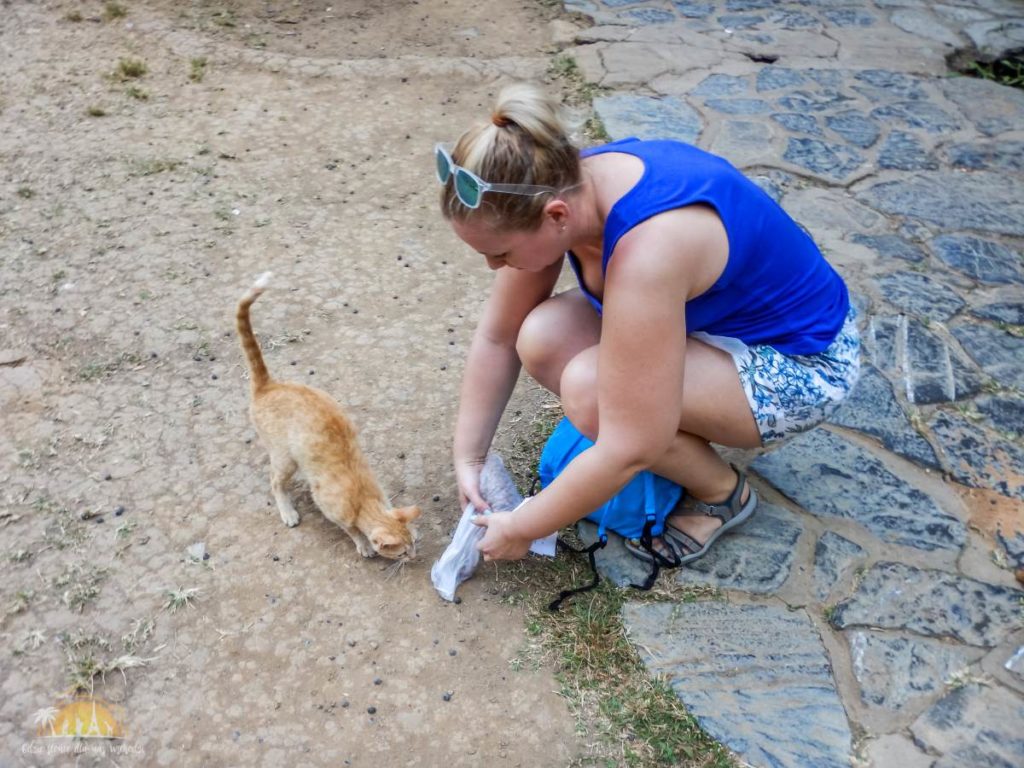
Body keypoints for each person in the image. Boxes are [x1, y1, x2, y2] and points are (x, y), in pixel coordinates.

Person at [437, 83, 860, 565]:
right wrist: (469, 457)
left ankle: (722, 494)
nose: (495, 267)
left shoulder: (650, 249)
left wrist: (524, 527)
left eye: (501, 253)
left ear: (555, 215)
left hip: (802, 363)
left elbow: (630, 444)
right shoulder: (562, 182)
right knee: (540, 337)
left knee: (591, 390)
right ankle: (684, 440)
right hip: (713, 325)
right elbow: (499, 336)